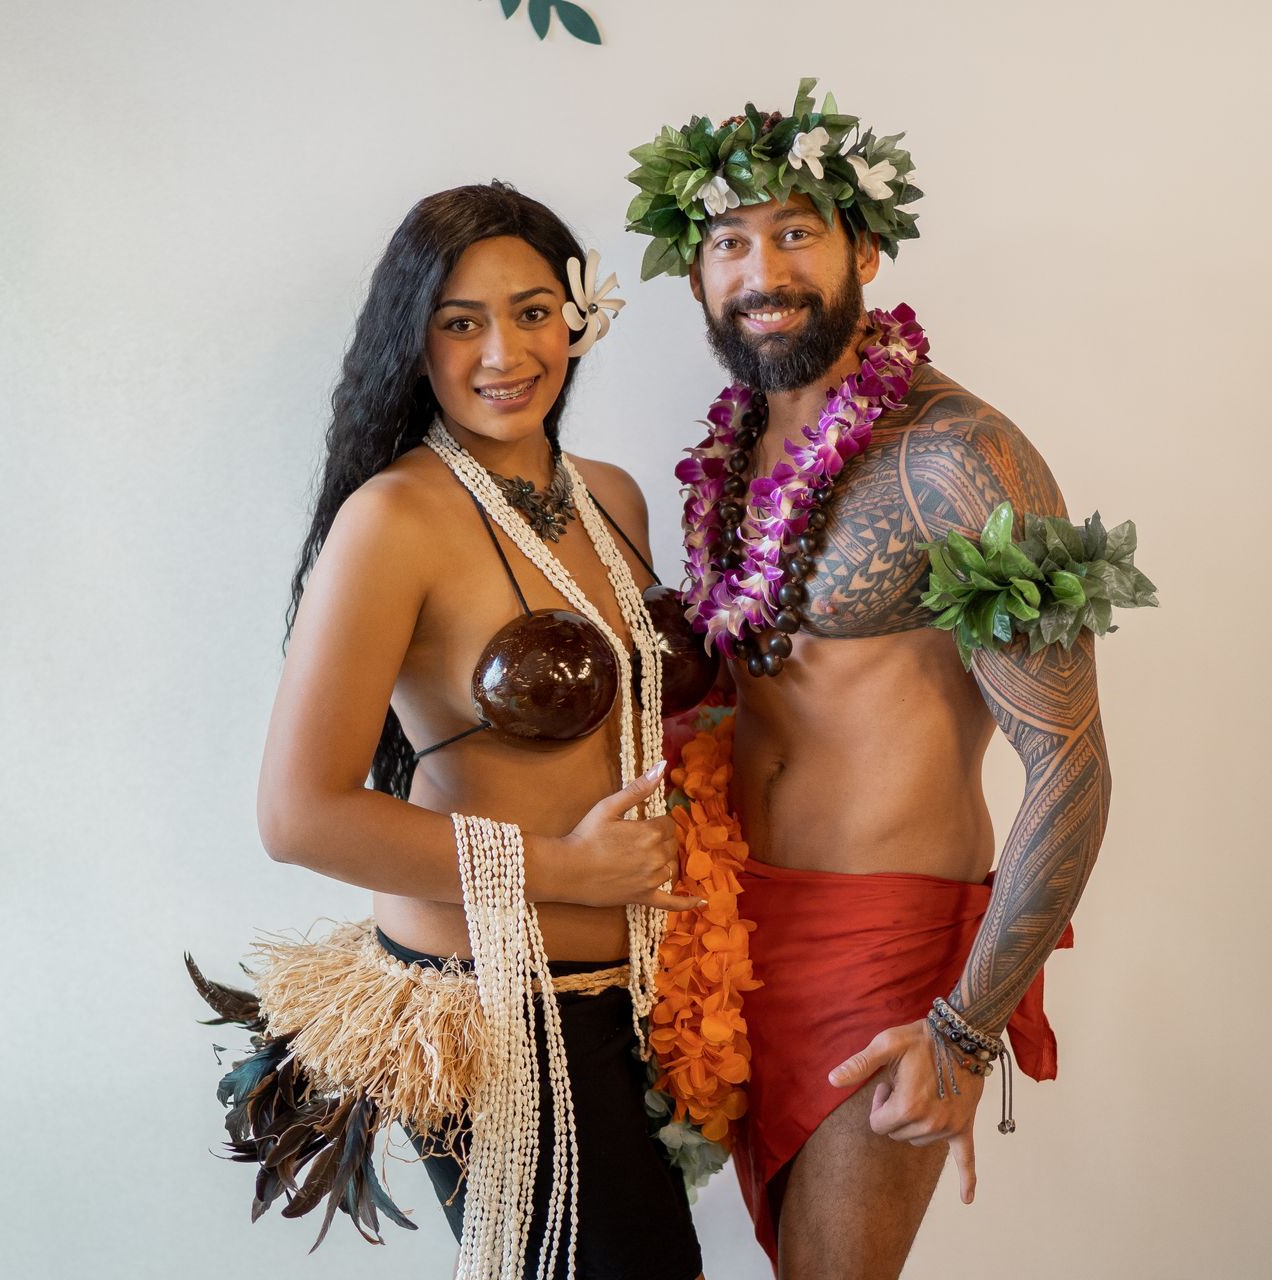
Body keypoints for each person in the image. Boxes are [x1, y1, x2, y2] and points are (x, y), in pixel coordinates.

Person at [625, 82, 1115, 1278]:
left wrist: (961, 1029)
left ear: (865, 249)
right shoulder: (735, 449)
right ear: (696, 275)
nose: (763, 269)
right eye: (730, 243)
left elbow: (1070, 761)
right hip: (730, 926)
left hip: (884, 935)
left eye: (797, 232)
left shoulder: (962, 458)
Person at [195, 181, 718, 1280]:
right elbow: (298, 815)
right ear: (416, 341)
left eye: (532, 311)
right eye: (460, 321)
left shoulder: (614, 496)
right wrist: (570, 866)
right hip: (494, 1012)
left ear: (579, 317)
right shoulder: (394, 518)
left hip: (634, 1001)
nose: (503, 351)